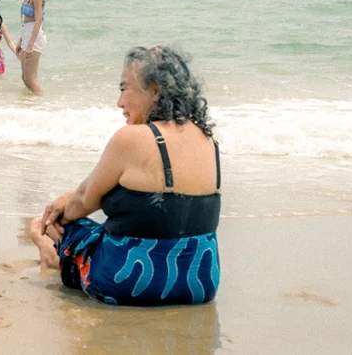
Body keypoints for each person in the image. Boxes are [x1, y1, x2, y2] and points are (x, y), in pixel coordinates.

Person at [29, 46, 221, 306]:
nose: (119, 102)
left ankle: (54, 255)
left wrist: (61, 209)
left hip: (129, 283)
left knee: (59, 222)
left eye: (123, 89)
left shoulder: (131, 138)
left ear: (154, 91)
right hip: (201, 284)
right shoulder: (209, 140)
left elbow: (83, 200)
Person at [16, 0, 46, 94]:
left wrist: (30, 45)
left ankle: (42, 102)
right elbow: (27, 21)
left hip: (35, 37)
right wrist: (21, 40)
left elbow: (38, 21)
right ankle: (33, 105)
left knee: (30, 79)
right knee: (25, 78)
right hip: (27, 34)